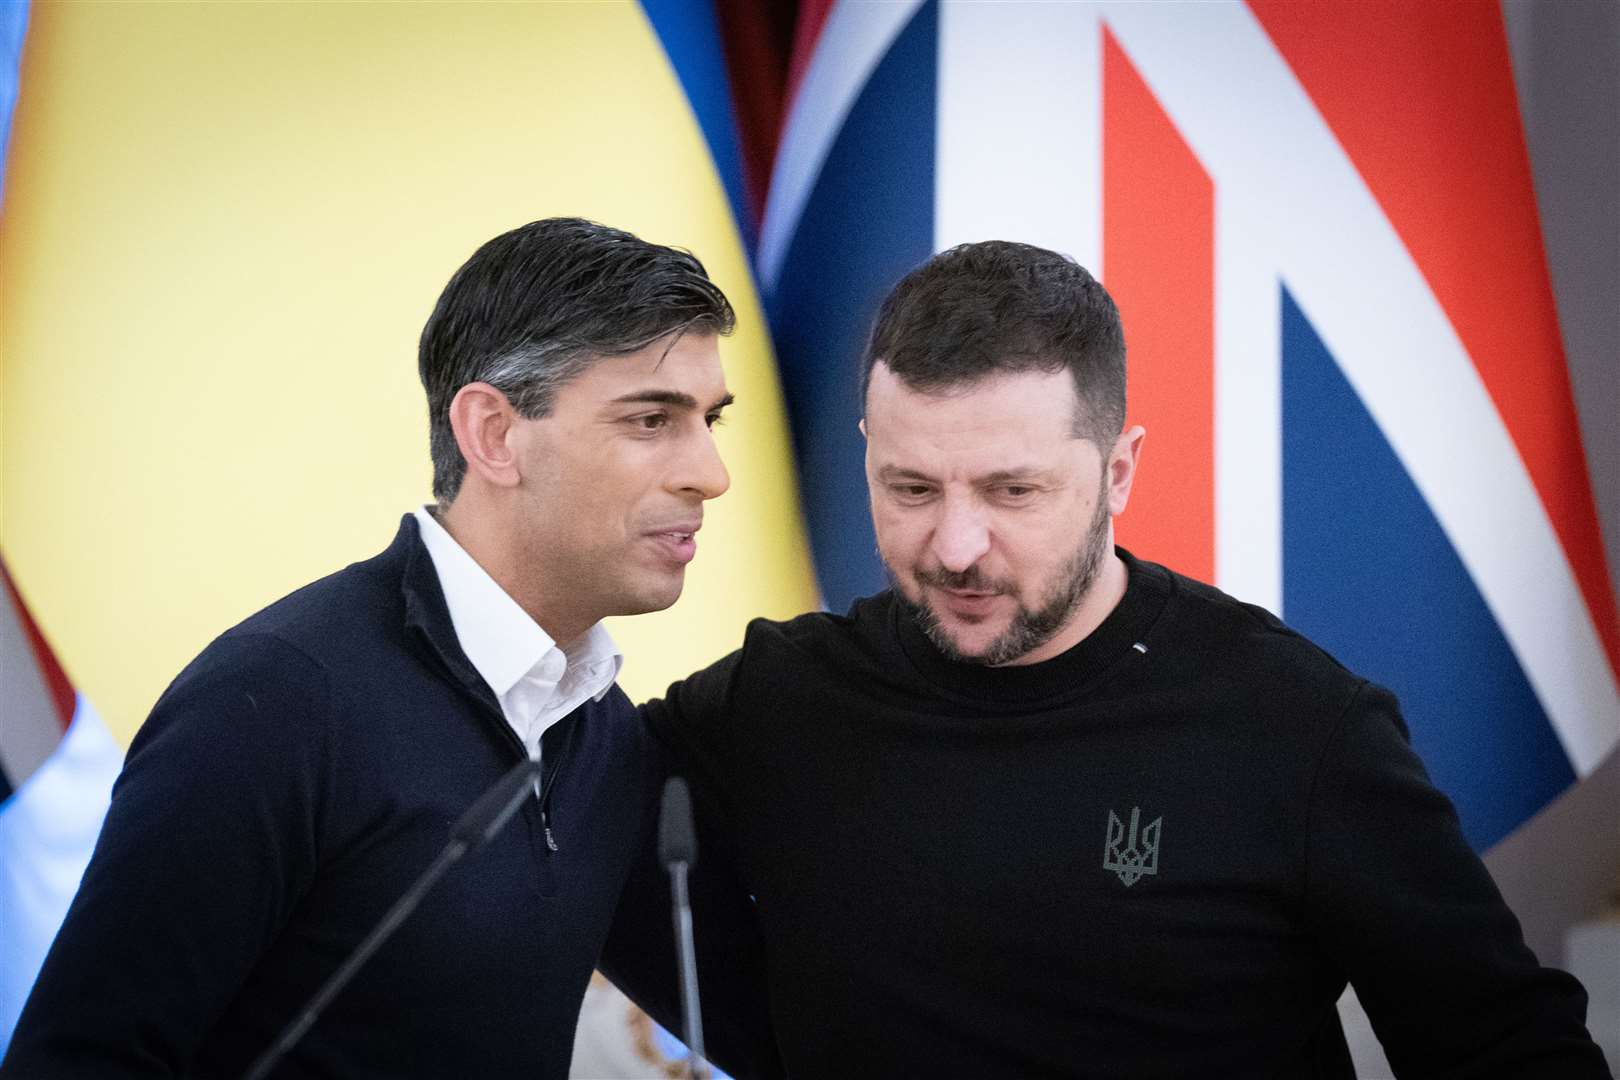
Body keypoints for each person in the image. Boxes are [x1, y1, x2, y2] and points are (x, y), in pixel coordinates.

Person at [640, 240, 1612, 1078]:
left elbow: (1505, 1048)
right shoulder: (778, 700)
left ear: (1119, 472)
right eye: (910, 488)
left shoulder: (1296, 724)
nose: (956, 545)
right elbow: (534, 797)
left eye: (1012, 491)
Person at [0, 218, 770, 1079]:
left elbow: (775, 1027)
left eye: (711, 421)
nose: (710, 472)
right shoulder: (280, 701)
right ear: (493, 434)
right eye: (652, 419)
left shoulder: (605, 737)